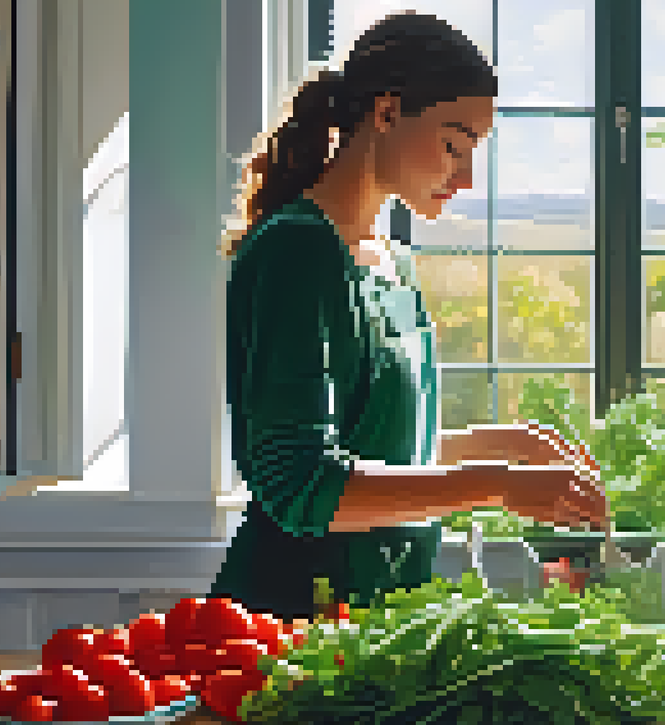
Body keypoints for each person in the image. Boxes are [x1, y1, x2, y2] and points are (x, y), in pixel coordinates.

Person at [210, 11, 607, 621]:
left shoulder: (390, 259)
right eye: (454, 144)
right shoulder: (299, 250)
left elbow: (377, 451)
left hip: (380, 620)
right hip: (292, 627)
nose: (468, 176)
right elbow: (302, 486)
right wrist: (497, 483)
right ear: (387, 113)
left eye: (475, 149)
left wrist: (502, 444)